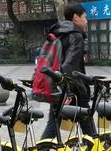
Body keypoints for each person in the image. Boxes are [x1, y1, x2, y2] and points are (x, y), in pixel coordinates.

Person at [41, 3, 92, 140]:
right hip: (73, 90)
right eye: (85, 17)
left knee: (52, 125)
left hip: (56, 85)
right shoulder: (76, 36)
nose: (86, 21)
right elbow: (69, 66)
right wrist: (68, 90)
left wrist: (60, 87)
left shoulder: (57, 33)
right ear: (76, 17)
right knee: (90, 129)